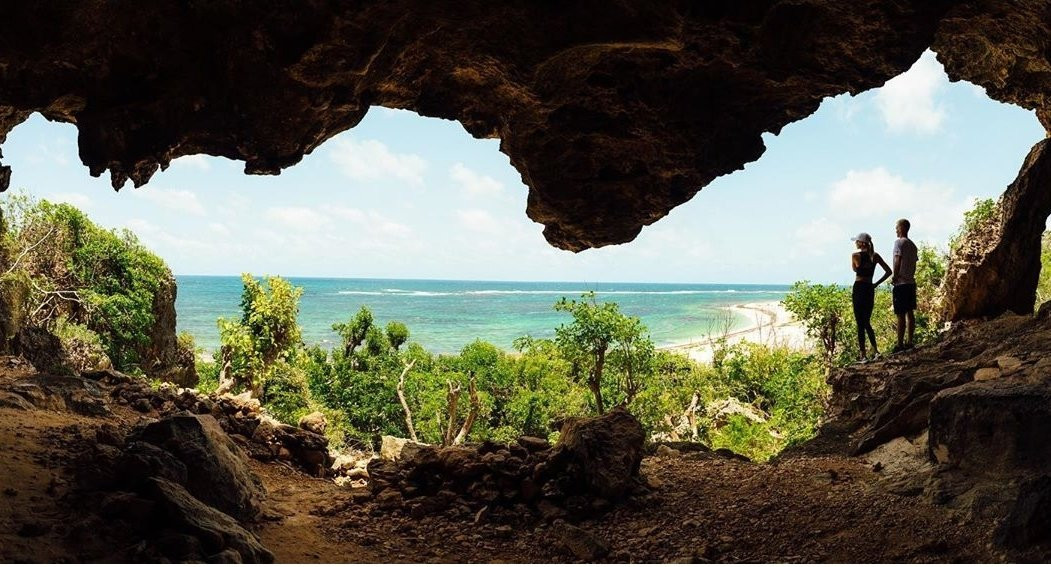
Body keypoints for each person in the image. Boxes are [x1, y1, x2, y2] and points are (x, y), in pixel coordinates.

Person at [851, 233, 891, 362]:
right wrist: (876, 284)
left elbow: (855, 270)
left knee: (859, 322)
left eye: (857, 241)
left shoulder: (855, 255)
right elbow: (888, 271)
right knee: (866, 321)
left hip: (859, 288)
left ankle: (863, 355)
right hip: (869, 288)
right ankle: (875, 350)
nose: (855, 243)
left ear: (861, 243)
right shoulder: (875, 256)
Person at [891, 218, 918, 352]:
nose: (895, 230)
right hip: (911, 283)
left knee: (900, 314)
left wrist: (895, 276)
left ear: (902, 228)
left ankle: (900, 344)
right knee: (910, 313)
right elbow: (914, 263)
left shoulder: (899, 243)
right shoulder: (913, 246)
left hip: (901, 283)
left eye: (897, 227)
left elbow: (897, 259)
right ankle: (910, 341)